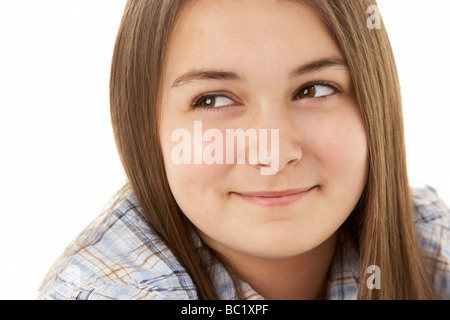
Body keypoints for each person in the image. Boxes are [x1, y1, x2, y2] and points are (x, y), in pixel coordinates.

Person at [38, 0, 450, 300]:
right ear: (146, 128)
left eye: (315, 90)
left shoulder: (429, 239)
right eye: (214, 100)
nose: (272, 153)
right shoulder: (114, 292)